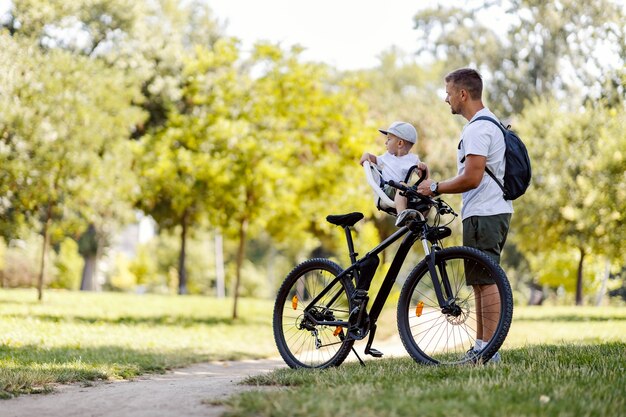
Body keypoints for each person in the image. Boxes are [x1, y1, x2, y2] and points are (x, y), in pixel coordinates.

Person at [416, 68, 513, 363]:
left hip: (486, 212)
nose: (446, 100)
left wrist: (435, 187)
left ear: (463, 94)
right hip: (482, 212)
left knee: (488, 280)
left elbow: (472, 177)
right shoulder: (482, 125)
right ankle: (481, 347)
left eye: (448, 93)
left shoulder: (479, 128)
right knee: (480, 281)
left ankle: (489, 352)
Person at [359, 121, 426, 226]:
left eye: (389, 139)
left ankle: (422, 221)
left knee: (427, 189)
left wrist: (423, 168)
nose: (386, 143)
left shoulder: (413, 159)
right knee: (402, 186)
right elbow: (374, 159)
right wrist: (366, 155)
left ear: (400, 143)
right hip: (388, 190)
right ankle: (401, 215)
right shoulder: (386, 157)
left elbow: (424, 179)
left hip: (405, 192)